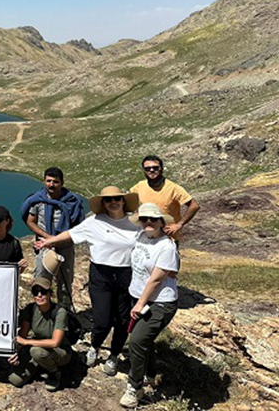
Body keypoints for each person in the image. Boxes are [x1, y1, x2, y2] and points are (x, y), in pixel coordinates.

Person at [35, 186, 140, 376]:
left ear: (124, 201)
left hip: (127, 274)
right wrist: (50, 241)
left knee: (123, 320)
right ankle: (95, 347)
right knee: (102, 319)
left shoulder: (136, 223)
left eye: (117, 198)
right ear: (103, 203)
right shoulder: (94, 222)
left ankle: (114, 355)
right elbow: (71, 234)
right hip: (101, 273)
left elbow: (152, 237)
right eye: (108, 200)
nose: (113, 202)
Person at [120, 203, 180, 408]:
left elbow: (156, 280)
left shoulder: (167, 246)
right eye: (144, 219)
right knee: (146, 341)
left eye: (153, 219)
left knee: (136, 341)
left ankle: (134, 388)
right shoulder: (141, 236)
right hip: (137, 297)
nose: (148, 223)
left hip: (159, 302)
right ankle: (150, 374)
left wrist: (139, 304)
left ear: (162, 222)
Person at [21, 167, 86, 306]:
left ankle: (64, 314)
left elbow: (77, 228)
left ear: (62, 183)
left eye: (55, 182)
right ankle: (43, 313)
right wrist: (47, 238)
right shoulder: (38, 200)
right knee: (41, 281)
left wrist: (56, 240)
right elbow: (30, 221)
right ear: (44, 181)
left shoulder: (72, 202)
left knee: (65, 284)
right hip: (44, 246)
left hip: (65, 247)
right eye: (48, 181)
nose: (51, 184)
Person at [8, 277, 72, 392]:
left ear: (50, 294)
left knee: (36, 351)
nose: (39, 295)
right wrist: (16, 353)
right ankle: (42, 365)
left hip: (60, 351)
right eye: (35, 292)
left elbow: (55, 342)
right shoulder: (30, 309)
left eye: (43, 292)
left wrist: (27, 342)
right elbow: (22, 335)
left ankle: (54, 372)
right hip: (38, 348)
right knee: (15, 380)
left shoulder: (59, 312)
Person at [129, 155, 200, 240]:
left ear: (161, 168)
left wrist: (179, 224)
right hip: (146, 235)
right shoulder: (139, 187)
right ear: (144, 171)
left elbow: (194, 205)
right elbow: (129, 203)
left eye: (155, 167)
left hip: (168, 236)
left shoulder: (173, 188)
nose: (151, 170)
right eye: (148, 168)